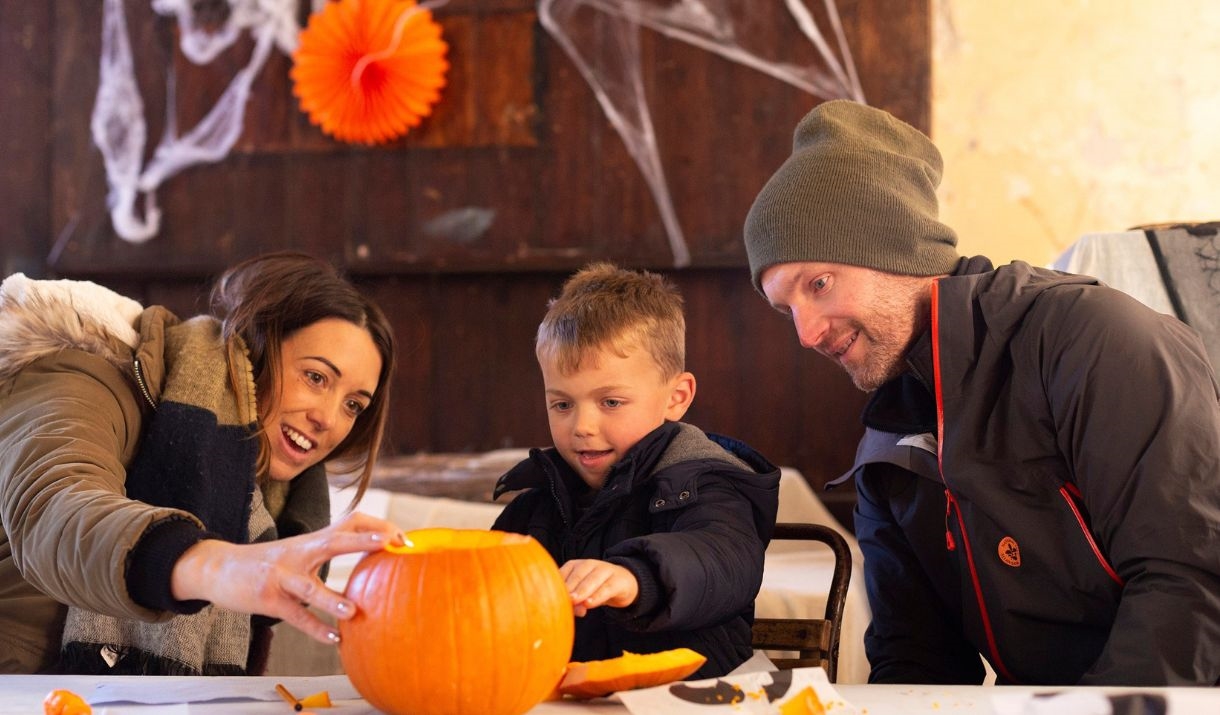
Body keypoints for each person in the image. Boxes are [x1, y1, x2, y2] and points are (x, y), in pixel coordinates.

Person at [742, 99, 1220, 686]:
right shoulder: (887, 442)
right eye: (785, 309)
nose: (807, 333)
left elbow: (1191, 581)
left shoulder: (1095, 342)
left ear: (895, 249)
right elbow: (915, 662)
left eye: (818, 284)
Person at [0, 252, 405, 675]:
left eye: (354, 405)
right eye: (316, 378)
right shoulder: (87, 374)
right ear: (259, 344)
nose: (328, 419)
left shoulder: (270, 492)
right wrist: (221, 566)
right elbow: (54, 512)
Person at [491, 262, 780, 679]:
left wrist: (635, 577)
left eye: (610, 402)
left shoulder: (706, 483)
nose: (582, 427)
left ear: (676, 397)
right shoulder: (534, 506)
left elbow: (722, 558)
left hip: (691, 700)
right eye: (562, 404)